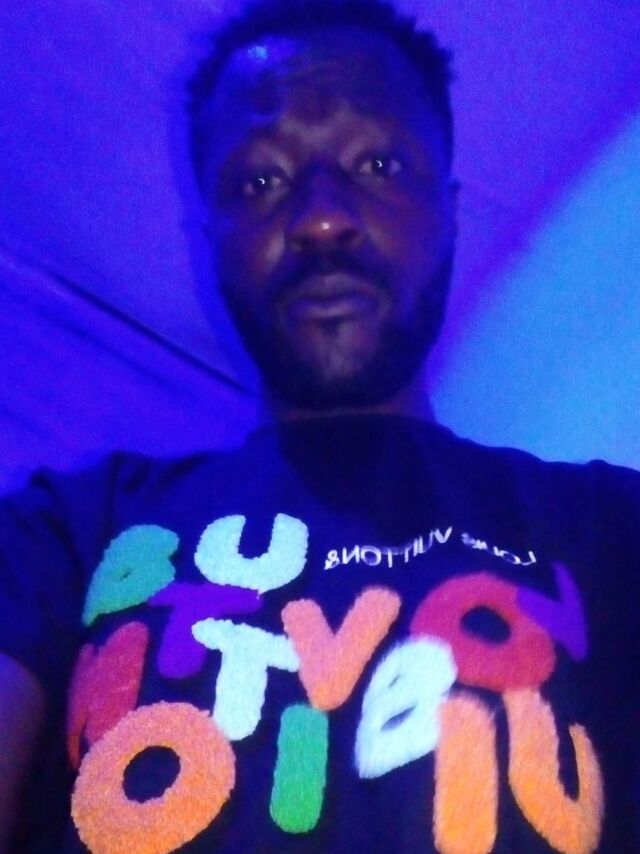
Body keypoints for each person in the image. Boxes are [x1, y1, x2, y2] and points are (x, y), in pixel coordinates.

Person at [1, 0, 639, 851]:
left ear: (449, 213)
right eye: (260, 182)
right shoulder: (65, 535)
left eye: (377, 164)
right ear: (211, 239)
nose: (321, 218)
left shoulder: (609, 532)